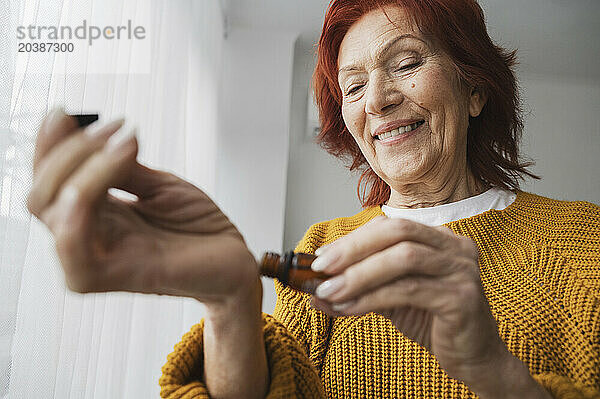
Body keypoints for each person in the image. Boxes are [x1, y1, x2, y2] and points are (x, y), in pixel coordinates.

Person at [27, 0, 599, 398]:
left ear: (473, 88)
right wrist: (230, 303)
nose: (376, 99)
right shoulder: (323, 248)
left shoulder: (585, 243)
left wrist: (490, 369)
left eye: (406, 63)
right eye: (352, 87)